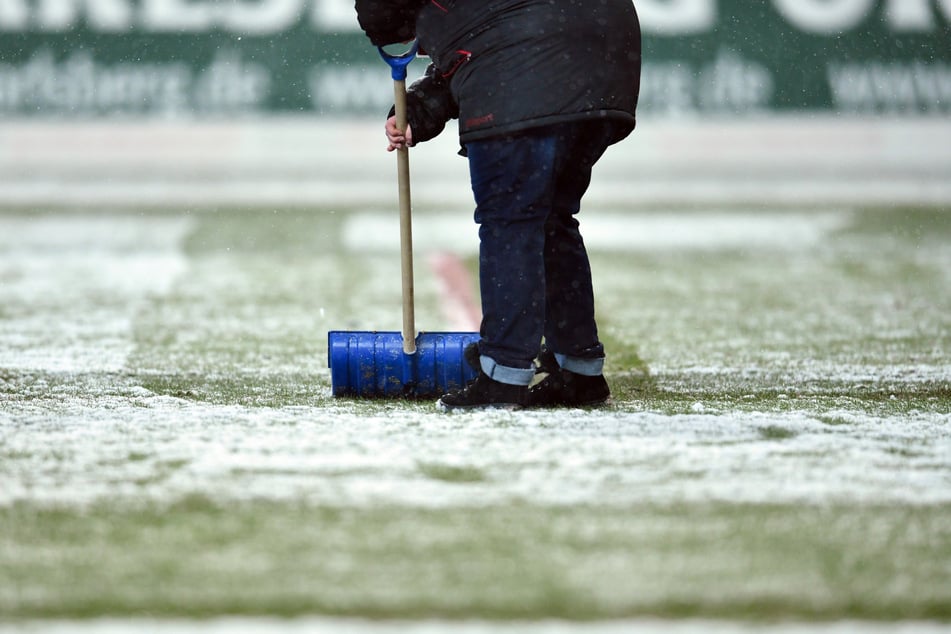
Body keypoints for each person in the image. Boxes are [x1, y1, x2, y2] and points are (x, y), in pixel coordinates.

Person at [354, 0, 641, 411]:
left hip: (527, 61)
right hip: (606, 58)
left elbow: (498, 42)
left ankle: (503, 374)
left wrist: (386, 27)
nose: (418, 50)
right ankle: (579, 372)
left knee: (511, 222)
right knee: (552, 220)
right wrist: (416, 109)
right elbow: (485, 39)